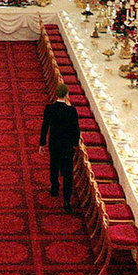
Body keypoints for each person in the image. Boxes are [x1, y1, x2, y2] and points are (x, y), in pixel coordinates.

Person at [38, 83, 81, 213]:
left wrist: (42, 143)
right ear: (67, 95)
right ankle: (67, 199)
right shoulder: (71, 111)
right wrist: (75, 144)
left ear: (56, 94)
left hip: (54, 143)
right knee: (68, 172)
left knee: (54, 165)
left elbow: (45, 127)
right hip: (67, 145)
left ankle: (55, 187)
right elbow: (76, 130)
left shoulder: (49, 109)